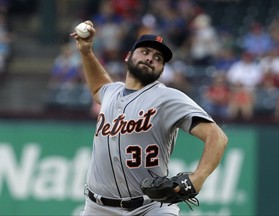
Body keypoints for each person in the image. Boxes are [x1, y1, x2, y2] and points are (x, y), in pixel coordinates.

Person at [70, 20, 228, 216]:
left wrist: (199, 176)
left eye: (158, 58)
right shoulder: (111, 92)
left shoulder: (168, 97)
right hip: (98, 208)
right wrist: (86, 52)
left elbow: (217, 136)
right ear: (128, 56)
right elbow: (97, 88)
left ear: (161, 69)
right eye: (145, 52)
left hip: (151, 207)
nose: (151, 58)